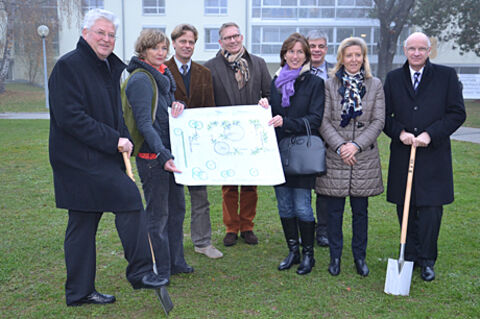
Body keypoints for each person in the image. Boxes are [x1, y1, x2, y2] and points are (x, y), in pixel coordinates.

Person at [48, 9, 167, 306]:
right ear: (85, 33)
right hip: (78, 161)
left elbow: (115, 115)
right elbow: (70, 118)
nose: (106, 39)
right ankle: (139, 272)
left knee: (82, 223)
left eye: (111, 35)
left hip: (100, 156)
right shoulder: (69, 67)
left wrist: (123, 137)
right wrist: (115, 140)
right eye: (100, 32)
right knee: (128, 198)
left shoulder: (107, 68)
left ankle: (79, 292)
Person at [383, 32, 466, 282]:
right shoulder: (394, 78)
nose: (416, 53)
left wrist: (431, 134)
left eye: (422, 49)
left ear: (429, 50)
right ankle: (408, 256)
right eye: (412, 49)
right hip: (404, 153)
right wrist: (400, 133)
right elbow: (384, 116)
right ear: (405, 50)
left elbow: (456, 113)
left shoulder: (446, 76)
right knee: (405, 206)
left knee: (430, 209)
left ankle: (427, 259)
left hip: (434, 155)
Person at [123, 29, 193, 283]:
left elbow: (162, 115)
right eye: (155, 49)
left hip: (168, 155)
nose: (161, 53)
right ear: (144, 51)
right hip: (153, 158)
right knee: (158, 215)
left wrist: (177, 106)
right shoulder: (142, 79)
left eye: (164, 48)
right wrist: (162, 154)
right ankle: (161, 267)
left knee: (177, 210)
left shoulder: (163, 76)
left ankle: (176, 261)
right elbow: (144, 123)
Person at [315, 37, 385, 277]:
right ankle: (335, 257)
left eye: (358, 55)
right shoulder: (329, 85)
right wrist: (341, 147)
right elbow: (323, 121)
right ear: (341, 58)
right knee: (333, 213)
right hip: (336, 157)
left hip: (362, 158)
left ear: (363, 58)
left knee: (360, 212)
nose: (353, 59)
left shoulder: (374, 84)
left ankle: (359, 257)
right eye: (349, 55)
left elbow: (378, 121)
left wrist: (355, 145)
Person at [259, 32, 324, 275]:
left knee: (302, 207)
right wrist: (264, 108)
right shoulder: (275, 84)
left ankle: (309, 255)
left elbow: (315, 119)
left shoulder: (315, 83)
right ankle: (293, 251)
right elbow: (270, 116)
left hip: (302, 153)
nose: (295, 56)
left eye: (300, 52)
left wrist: (286, 122)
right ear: (283, 54)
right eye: (291, 51)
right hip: (277, 153)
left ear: (306, 56)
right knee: (284, 206)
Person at [204, 22, 271, 247]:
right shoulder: (210, 67)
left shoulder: (259, 64)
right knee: (230, 185)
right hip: (225, 137)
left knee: (251, 183)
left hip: (252, 134)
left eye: (236, 36)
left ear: (242, 38)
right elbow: (206, 101)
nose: (232, 41)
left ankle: (247, 226)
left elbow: (269, 94)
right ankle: (231, 227)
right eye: (227, 38)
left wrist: (265, 103)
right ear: (220, 41)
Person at [165, 24, 223, 259]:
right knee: (171, 200)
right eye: (183, 42)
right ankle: (170, 243)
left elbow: (209, 109)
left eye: (191, 42)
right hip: (169, 145)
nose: (187, 46)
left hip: (197, 146)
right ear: (174, 43)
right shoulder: (161, 69)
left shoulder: (203, 72)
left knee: (200, 197)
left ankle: (202, 242)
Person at [306, 29, 333, 247]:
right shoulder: (295, 71)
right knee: (303, 187)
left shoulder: (336, 73)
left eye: (321, 46)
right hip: (305, 137)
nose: (316, 50)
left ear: (326, 48)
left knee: (325, 188)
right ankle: (304, 226)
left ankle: (323, 229)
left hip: (330, 138)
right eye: (312, 46)